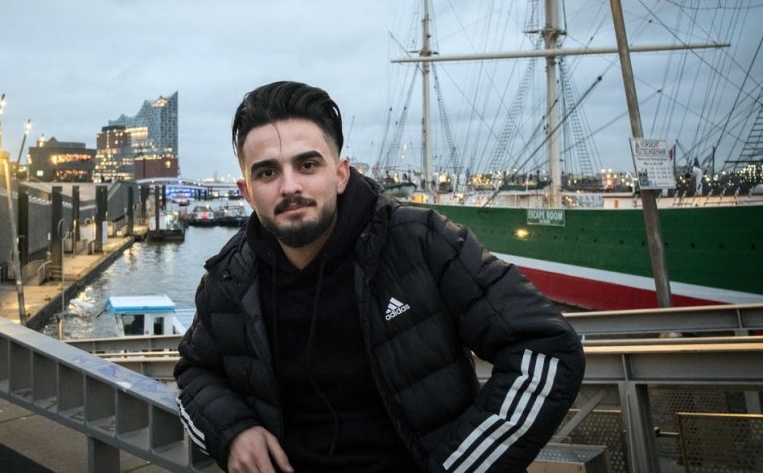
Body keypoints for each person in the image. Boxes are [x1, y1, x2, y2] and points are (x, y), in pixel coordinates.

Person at [175, 81, 585, 472]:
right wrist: (232, 431)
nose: (289, 186)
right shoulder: (230, 277)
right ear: (246, 191)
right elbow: (195, 372)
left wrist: (461, 465)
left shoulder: (420, 242)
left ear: (340, 174)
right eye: (267, 173)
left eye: (308, 164)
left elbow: (545, 346)